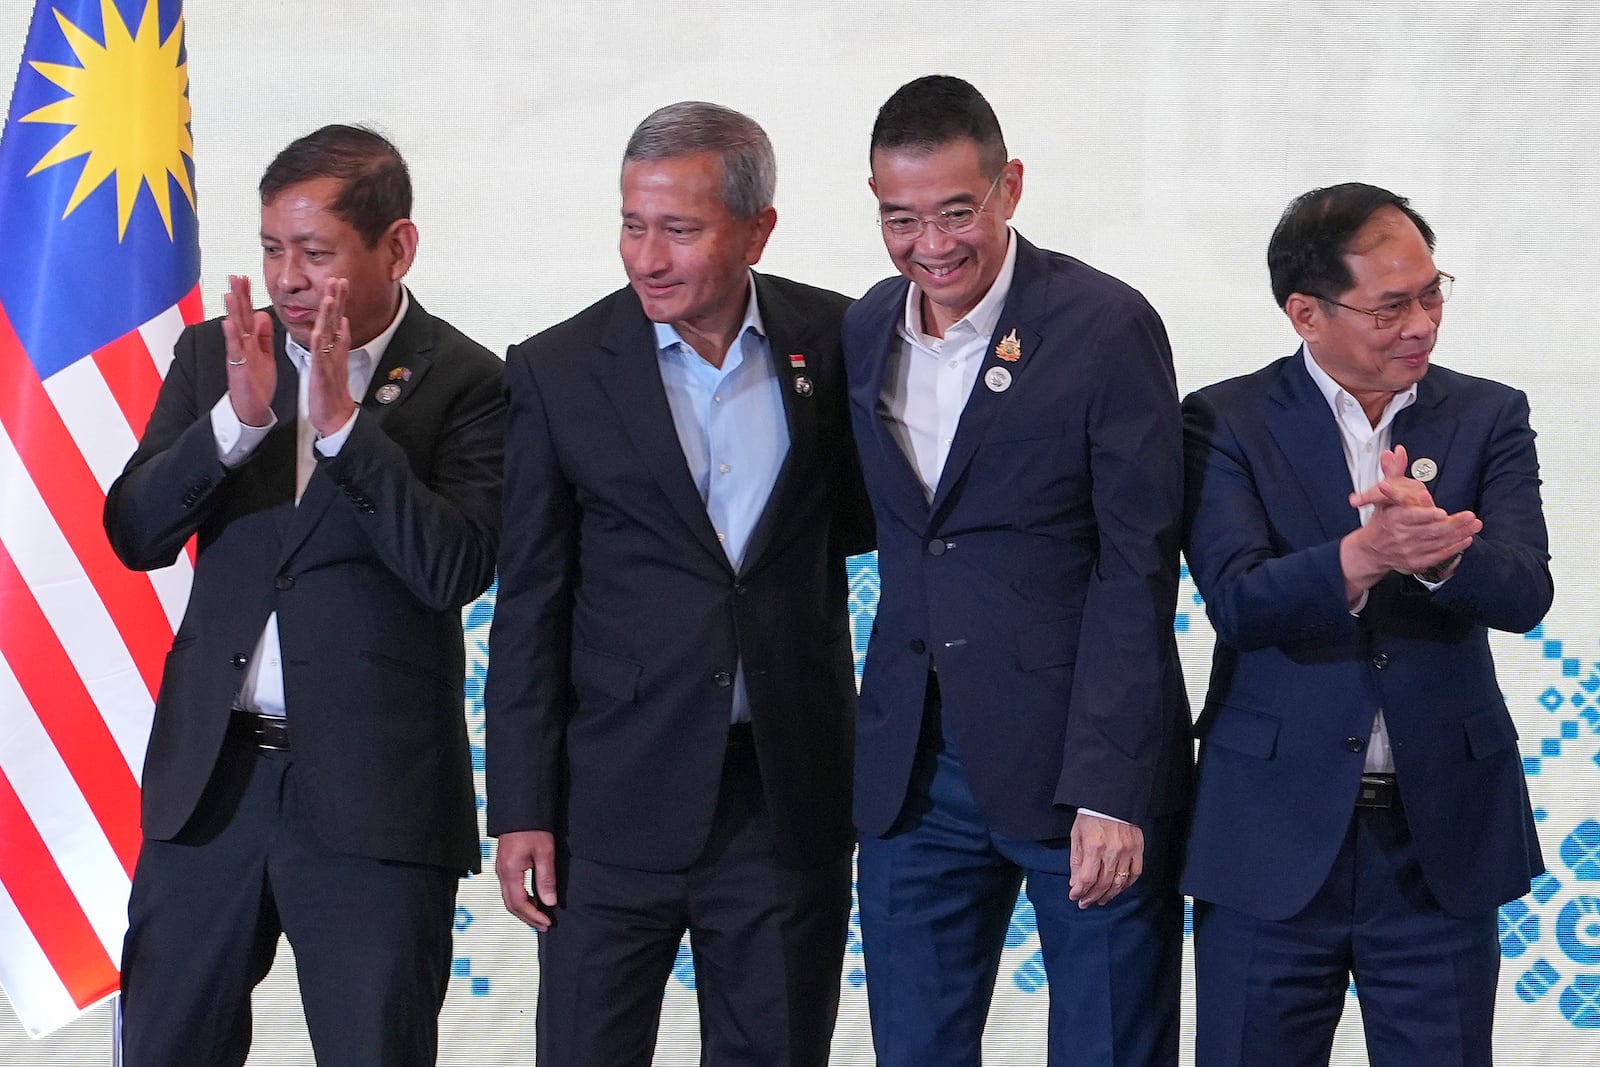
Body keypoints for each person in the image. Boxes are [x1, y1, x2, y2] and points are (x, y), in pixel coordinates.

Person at [104, 124, 504, 1066]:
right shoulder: (219, 358)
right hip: (212, 789)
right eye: (272, 249)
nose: (286, 278)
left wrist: (343, 432)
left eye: (315, 252)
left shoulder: (470, 381)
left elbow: (456, 569)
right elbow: (134, 533)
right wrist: (236, 425)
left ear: (396, 246)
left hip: (375, 801)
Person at [485, 101, 870, 1067]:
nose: (647, 257)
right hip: (607, 811)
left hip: (785, 802)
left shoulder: (841, 340)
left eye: (680, 230)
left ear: (758, 229)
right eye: (632, 224)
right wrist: (521, 804)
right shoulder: (556, 370)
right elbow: (530, 603)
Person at [844, 75, 1191, 1066]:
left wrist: (1113, 786)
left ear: (1010, 187)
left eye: (957, 210)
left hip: (1074, 765)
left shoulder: (1102, 324)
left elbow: (1136, 563)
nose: (932, 244)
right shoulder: (867, 327)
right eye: (900, 217)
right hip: (912, 770)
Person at [1182, 182, 1551, 1066]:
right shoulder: (1224, 420)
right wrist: (1366, 552)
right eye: (1392, 307)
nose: (1421, 324)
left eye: (1431, 293)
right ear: (1305, 312)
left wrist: (1438, 554)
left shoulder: (1488, 413)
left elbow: (1525, 591)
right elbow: (1236, 598)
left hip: (1438, 845)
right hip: (1269, 837)